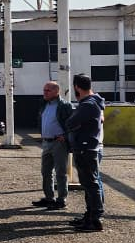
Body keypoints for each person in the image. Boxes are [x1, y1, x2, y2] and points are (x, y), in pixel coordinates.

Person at [66, 73, 106, 231]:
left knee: (91, 184)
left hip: (85, 148)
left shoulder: (88, 104)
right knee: (90, 184)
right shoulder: (93, 102)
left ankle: (95, 219)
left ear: (76, 87)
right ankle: (90, 215)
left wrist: (72, 122)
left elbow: (71, 122)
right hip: (88, 147)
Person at [33, 80, 73, 210]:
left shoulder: (65, 106)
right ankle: (49, 198)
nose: (44, 92)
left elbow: (72, 124)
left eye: (47, 90)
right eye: (44, 90)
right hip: (46, 142)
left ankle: (61, 199)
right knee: (45, 172)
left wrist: (66, 136)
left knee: (60, 172)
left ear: (56, 91)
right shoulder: (44, 104)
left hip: (58, 143)